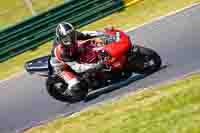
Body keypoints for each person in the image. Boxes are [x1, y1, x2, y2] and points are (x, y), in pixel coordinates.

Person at [50, 22, 106, 95]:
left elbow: (85, 34)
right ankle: (69, 92)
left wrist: (102, 32)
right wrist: (95, 66)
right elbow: (77, 68)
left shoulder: (73, 35)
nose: (70, 38)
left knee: (94, 48)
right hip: (62, 67)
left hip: (74, 55)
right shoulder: (61, 50)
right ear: (61, 38)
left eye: (71, 35)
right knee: (76, 86)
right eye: (66, 37)